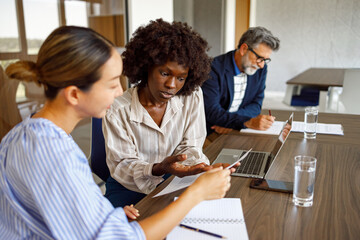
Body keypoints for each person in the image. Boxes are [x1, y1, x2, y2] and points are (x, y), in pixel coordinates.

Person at [0, 26, 235, 240]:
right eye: (112, 83)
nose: (121, 91)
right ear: (74, 94)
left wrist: (103, 214)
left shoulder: (27, 134)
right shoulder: (54, 154)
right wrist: (196, 194)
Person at [103, 19, 227, 208]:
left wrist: (195, 167)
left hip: (175, 178)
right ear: (146, 68)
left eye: (181, 78)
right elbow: (122, 166)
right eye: (164, 73)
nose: (172, 85)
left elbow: (192, 145)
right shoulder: (117, 108)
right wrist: (159, 168)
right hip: (128, 186)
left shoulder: (192, 96)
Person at [202, 26, 280, 135]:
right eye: (260, 58)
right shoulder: (213, 69)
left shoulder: (260, 69)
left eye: (266, 60)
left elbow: (256, 105)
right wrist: (246, 122)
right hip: (212, 131)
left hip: (232, 127)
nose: (262, 65)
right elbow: (211, 111)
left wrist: (234, 123)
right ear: (243, 49)